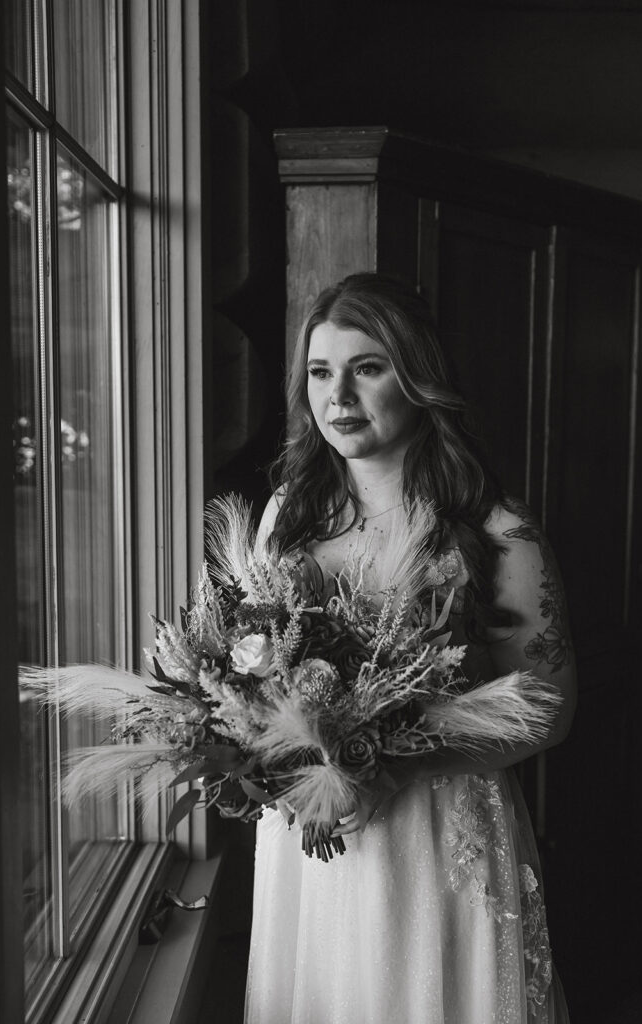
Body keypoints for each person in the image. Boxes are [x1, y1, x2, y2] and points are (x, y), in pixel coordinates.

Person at [243, 273, 576, 1024]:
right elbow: (251, 670)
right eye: (320, 372)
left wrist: (392, 768)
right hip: (312, 841)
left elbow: (548, 710)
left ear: (417, 379)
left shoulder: (497, 532)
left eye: (367, 368)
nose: (339, 396)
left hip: (432, 830)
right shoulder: (284, 520)